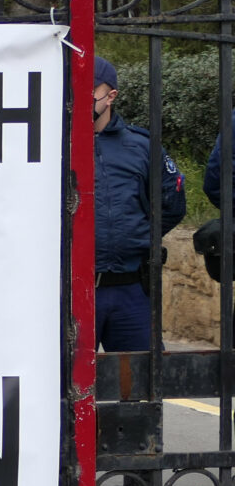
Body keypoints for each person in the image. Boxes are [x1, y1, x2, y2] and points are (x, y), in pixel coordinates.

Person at [91, 55, 185, 351]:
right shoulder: (48, 146)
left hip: (131, 288)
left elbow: (172, 202)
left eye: (89, 90)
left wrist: (138, 237)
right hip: (68, 291)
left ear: (111, 96)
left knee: (140, 387)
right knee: (60, 391)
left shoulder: (141, 146)